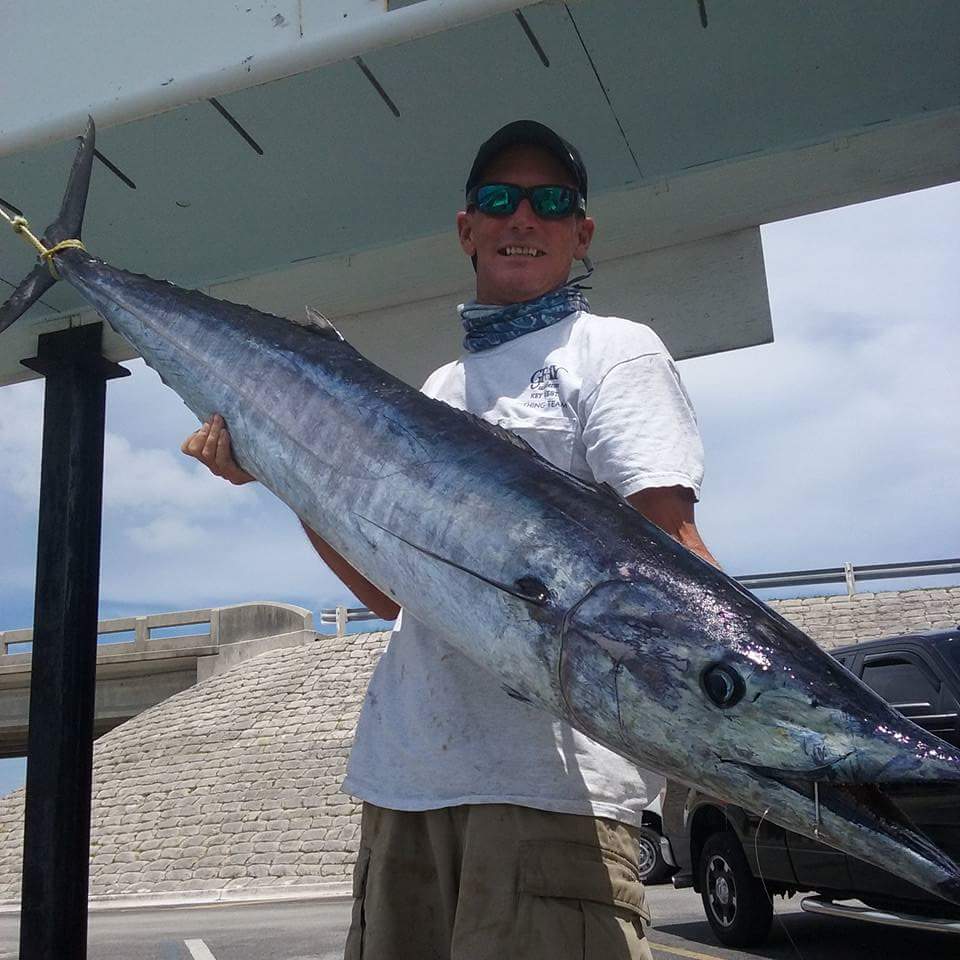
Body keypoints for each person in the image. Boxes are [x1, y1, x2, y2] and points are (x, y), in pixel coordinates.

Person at [183, 120, 717, 959]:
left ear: (582, 233)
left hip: (549, 797)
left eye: (551, 202)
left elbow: (675, 551)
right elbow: (394, 594)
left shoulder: (613, 352)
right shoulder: (441, 386)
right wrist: (285, 474)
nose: (523, 218)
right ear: (467, 229)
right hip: (405, 782)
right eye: (499, 199)